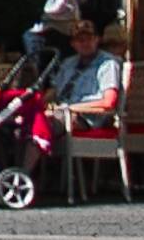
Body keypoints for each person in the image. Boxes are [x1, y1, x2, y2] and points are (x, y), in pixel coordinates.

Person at [40, 17, 121, 200]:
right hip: (63, 112)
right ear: (73, 43)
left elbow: (108, 101)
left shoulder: (108, 64)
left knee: (48, 123)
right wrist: (38, 103)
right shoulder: (68, 63)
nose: (84, 43)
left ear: (96, 39)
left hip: (88, 117)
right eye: (79, 39)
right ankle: (27, 175)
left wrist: (72, 108)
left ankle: (27, 174)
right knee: (29, 120)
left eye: (88, 38)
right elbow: (54, 91)